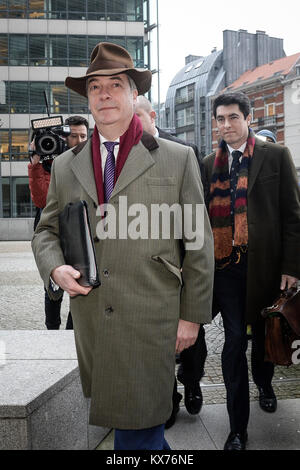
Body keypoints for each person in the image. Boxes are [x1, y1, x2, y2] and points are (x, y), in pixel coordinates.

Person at [31, 42, 214, 450]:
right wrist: (55, 268)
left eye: (116, 84)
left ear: (134, 94)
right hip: (94, 320)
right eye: (95, 87)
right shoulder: (66, 164)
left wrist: (192, 318)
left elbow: (198, 244)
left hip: (152, 320)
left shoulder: (177, 158)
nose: (105, 94)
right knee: (134, 432)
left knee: (140, 430)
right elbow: (46, 231)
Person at [201, 91, 300, 450]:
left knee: (262, 338)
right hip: (224, 270)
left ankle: (266, 382)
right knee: (232, 344)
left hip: (265, 270)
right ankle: (237, 429)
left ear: (247, 118)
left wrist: (291, 266)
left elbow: (292, 215)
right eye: (220, 119)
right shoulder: (208, 163)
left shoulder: (275, 155)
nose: (226, 125)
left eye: (233, 118)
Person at [135, 95, 207, 428]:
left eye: (136, 118)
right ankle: (170, 399)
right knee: (158, 346)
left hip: (181, 266)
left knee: (192, 340)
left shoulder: (184, 152)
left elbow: (198, 217)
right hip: (147, 275)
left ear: (151, 116)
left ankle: (192, 384)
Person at [28, 115, 88, 330]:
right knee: (53, 287)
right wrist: (36, 165)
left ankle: (73, 331)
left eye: (83, 136)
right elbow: (42, 200)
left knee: (80, 282)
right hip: (54, 233)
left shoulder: (90, 163)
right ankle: (52, 331)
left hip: (78, 234)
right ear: (63, 138)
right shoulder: (50, 163)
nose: (79, 141)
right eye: (73, 136)